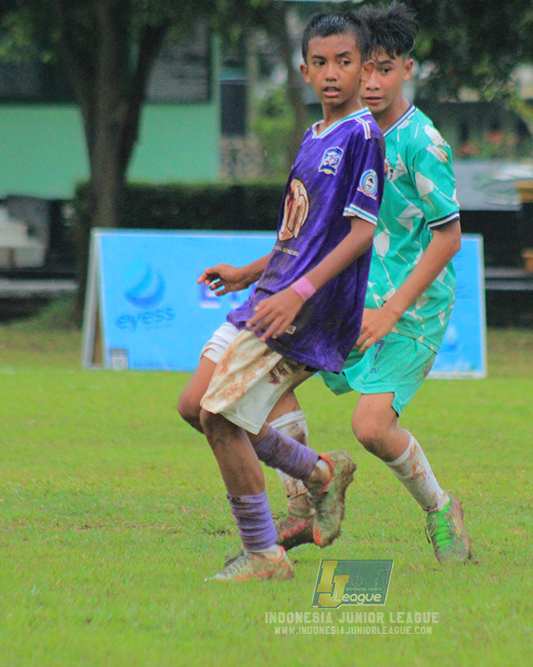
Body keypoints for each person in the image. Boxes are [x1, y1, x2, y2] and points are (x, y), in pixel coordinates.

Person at [268, 1, 472, 564]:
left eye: (386, 69)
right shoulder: (345, 136)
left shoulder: (421, 142)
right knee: (266, 380)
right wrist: (259, 275)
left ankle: (441, 510)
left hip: (412, 308)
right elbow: (318, 229)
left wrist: (392, 311)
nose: (373, 82)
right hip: (350, 298)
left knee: (371, 427)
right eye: (367, 69)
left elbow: (449, 237)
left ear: (407, 69)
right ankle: (303, 501)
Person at [190, 11, 384, 582]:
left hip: (306, 310)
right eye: (320, 63)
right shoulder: (314, 135)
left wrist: (298, 293)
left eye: (344, 62)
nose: (332, 73)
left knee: (219, 418)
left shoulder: (363, 136)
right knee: (194, 406)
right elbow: (299, 235)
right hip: (271, 296)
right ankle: (321, 474)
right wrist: (249, 273)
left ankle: (264, 555)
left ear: (365, 69)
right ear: (304, 71)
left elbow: (361, 234)